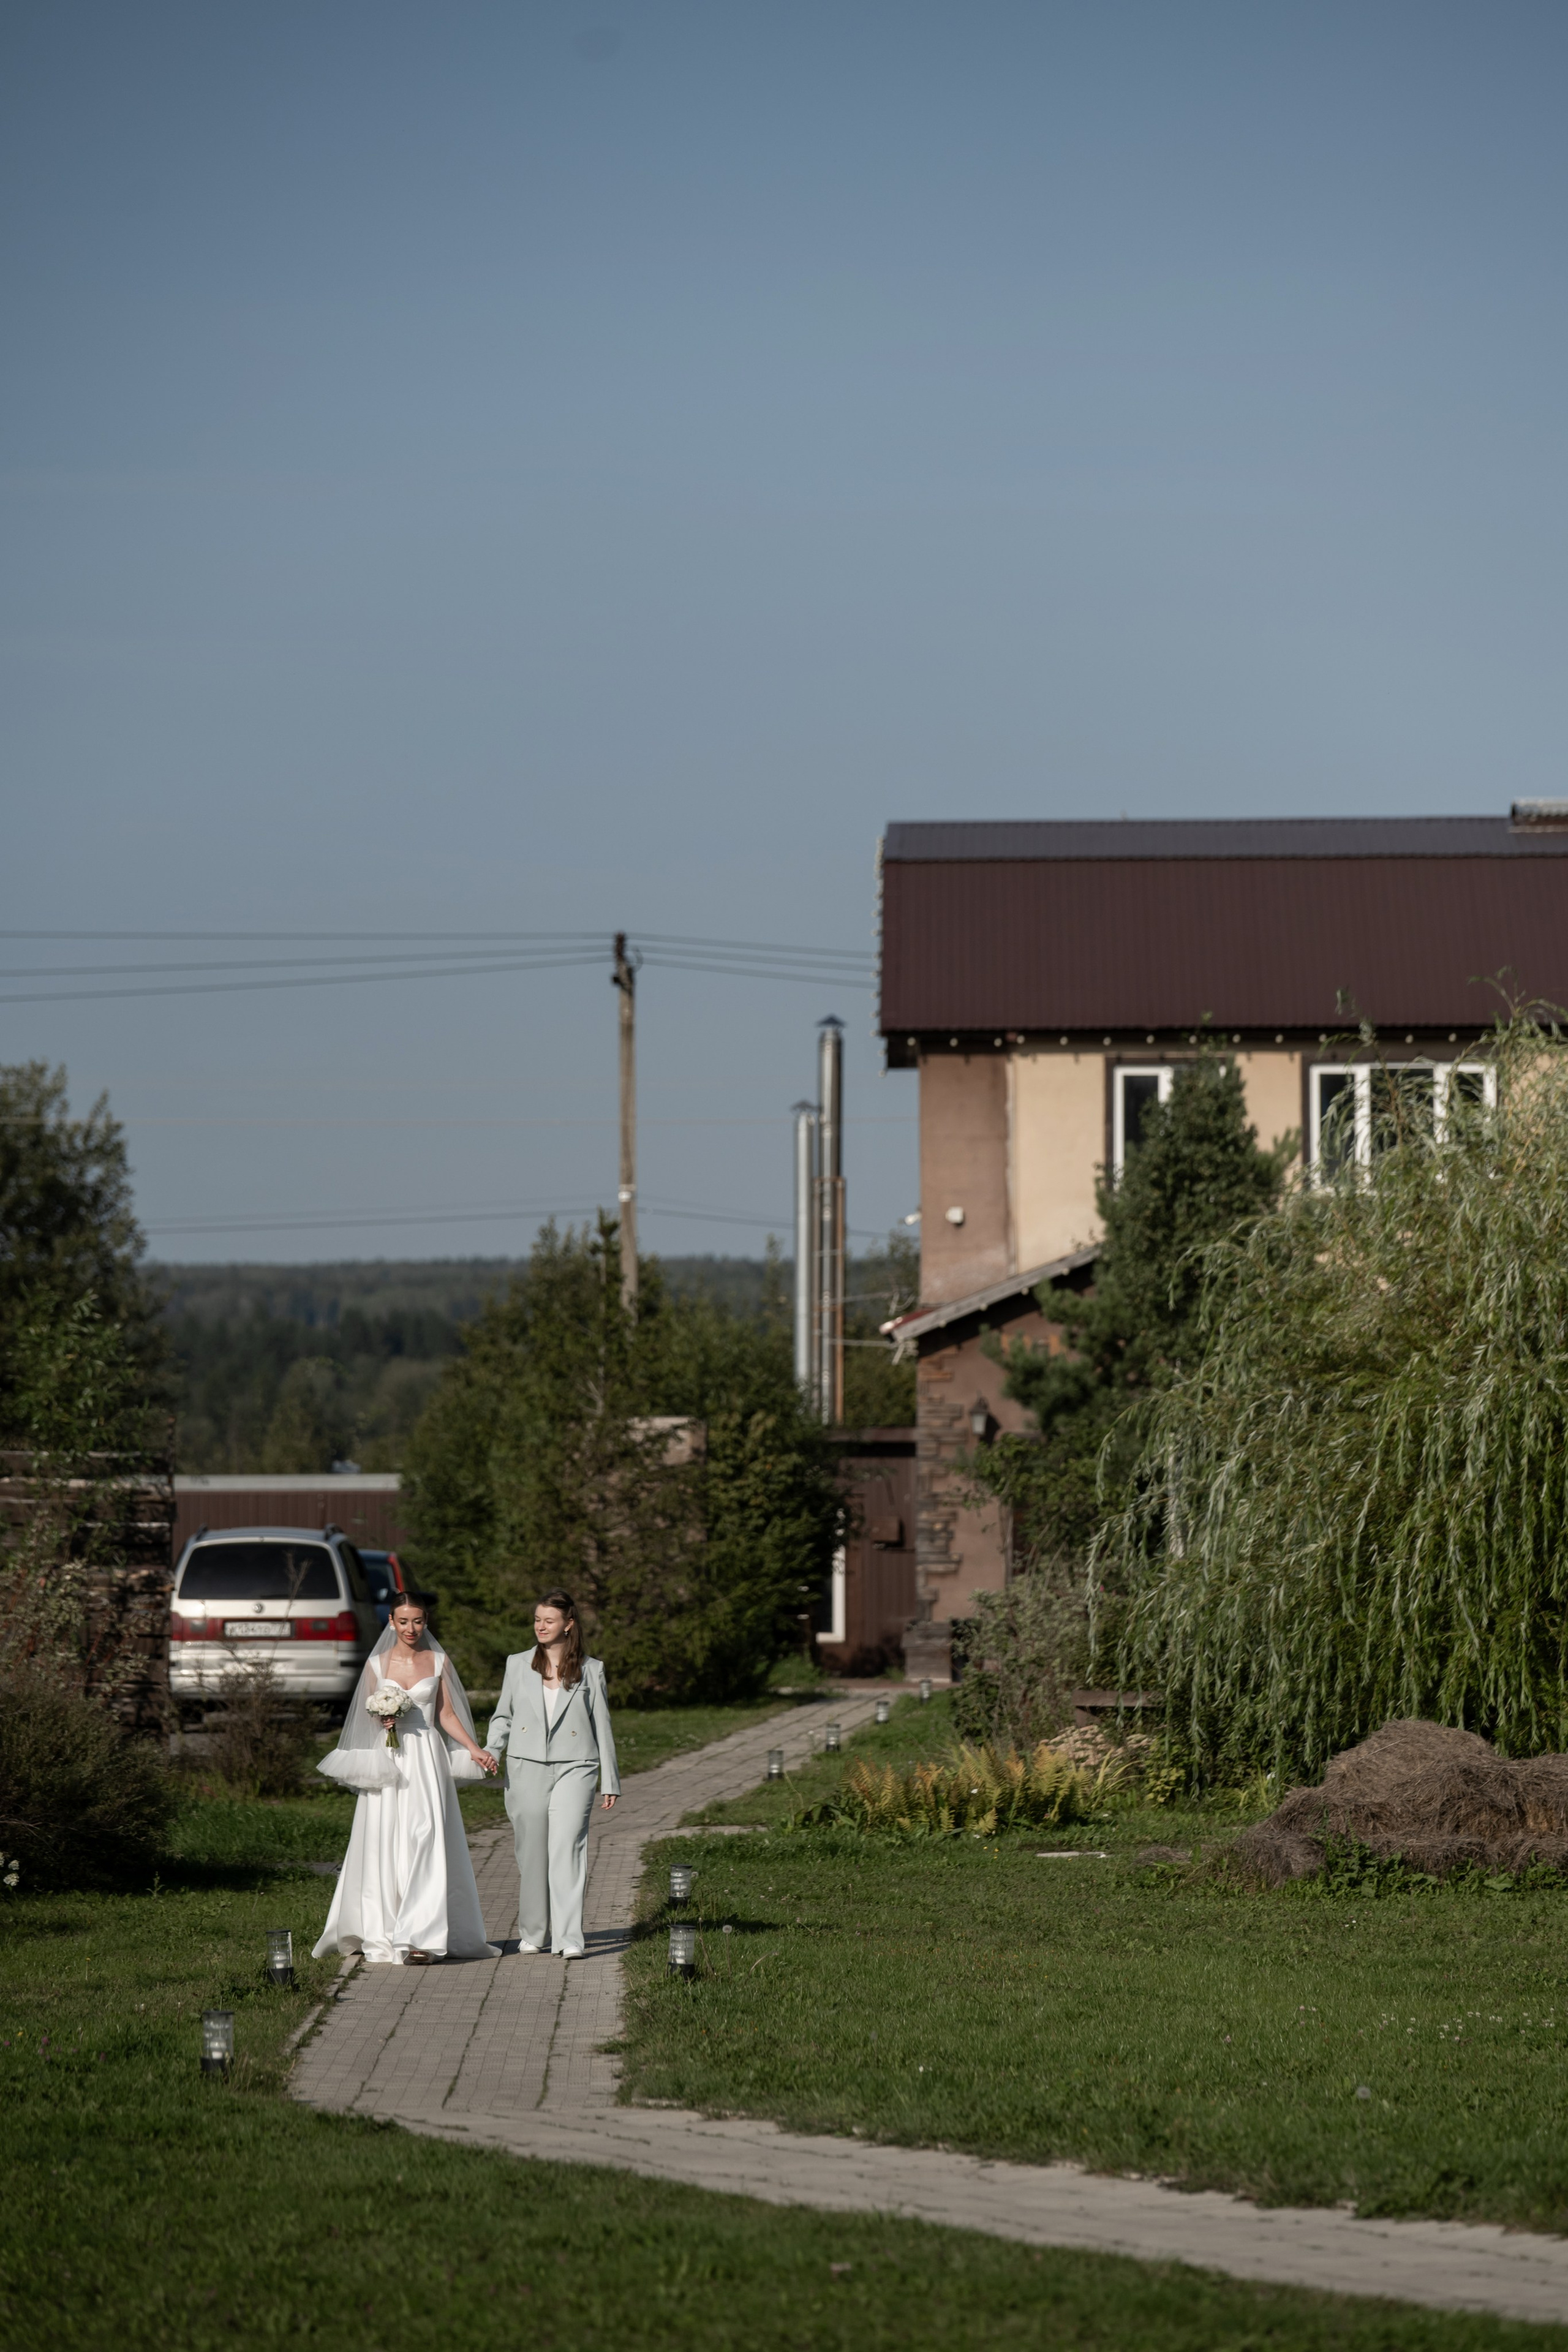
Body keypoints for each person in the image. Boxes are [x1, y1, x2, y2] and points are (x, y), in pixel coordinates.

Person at [313, 1593, 499, 1966]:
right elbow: (362, 1717)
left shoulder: (439, 1661)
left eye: (417, 1621)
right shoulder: (377, 1664)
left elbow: (445, 1714)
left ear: (426, 1621)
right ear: (391, 1622)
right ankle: (388, 1927)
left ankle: (422, 1937)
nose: (411, 1629)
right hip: (391, 1756)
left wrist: (473, 1748)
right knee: (387, 1838)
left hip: (426, 1757)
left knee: (427, 1835)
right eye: (403, 1621)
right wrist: (382, 1720)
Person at [486, 1589, 619, 1960]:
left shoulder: (592, 1669)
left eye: (549, 1620)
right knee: (532, 1853)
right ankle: (533, 1931)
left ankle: (570, 1938)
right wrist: (492, 1750)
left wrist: (610, 1780)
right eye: (537, 1619)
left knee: (567, 1848)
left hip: (577, 1766)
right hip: (525, 1766)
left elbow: (602, 1725)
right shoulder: (517, 1664)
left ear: (568, 1624)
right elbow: (503, 1715)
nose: (540, 1626)